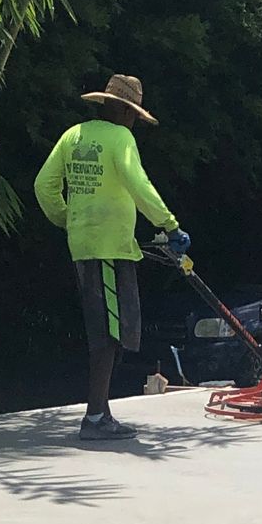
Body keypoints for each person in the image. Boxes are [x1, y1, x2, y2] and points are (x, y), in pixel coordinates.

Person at [34, 73, 179, 441]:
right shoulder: (121, 138)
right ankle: (95, 418)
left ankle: (102, 412)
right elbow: (137, 182)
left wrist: (68, 219)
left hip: (85, 244)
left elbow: (44, 185)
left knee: (107, 329)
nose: (132, 120)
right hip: (109, 248)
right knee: (109, 334)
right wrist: (169, 225)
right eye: (132, 113)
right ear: (124, 111)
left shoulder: (74, 135)